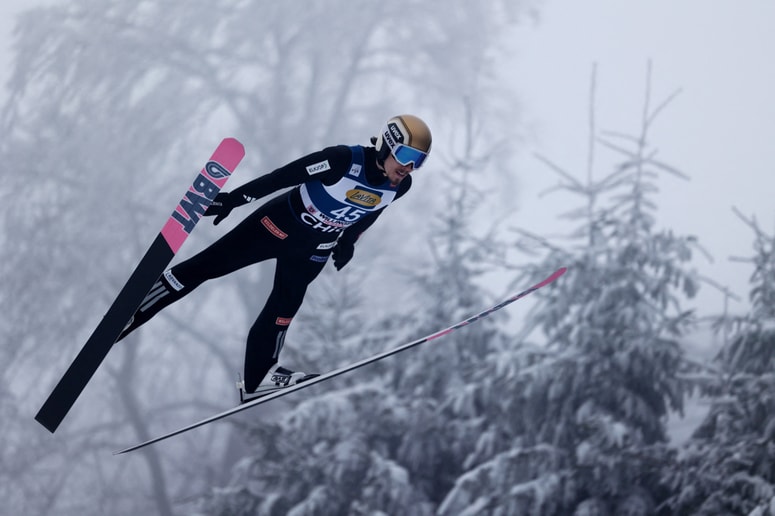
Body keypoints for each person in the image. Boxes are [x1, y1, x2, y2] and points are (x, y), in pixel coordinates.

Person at [118, 114, 432, 402]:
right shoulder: (342, 160)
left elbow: (371, 211)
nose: (409, 167)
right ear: (387, 146)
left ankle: (259, 378)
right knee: (207, 266)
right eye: (406, 156)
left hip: (315, 248)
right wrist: (234, 199)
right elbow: (282, 177)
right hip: (277, 226)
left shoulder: (400, 186)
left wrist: (348, 241)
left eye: (418, 161)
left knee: (284, 308)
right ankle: (133, 312)